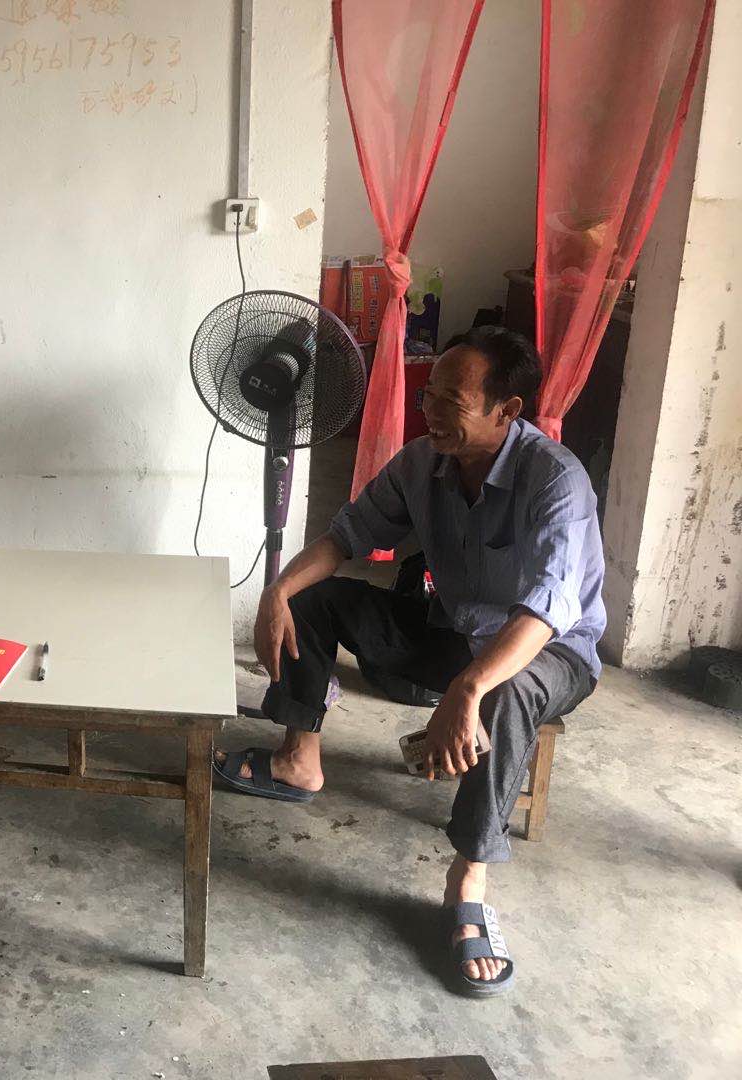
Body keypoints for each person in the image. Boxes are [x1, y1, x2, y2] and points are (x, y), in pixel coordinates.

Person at [213, 325, 603, 997]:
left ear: (507, 410)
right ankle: (298, 760)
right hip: (455, 632)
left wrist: (468, 689)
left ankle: (468, 879)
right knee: (315, 599)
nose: (431, 412)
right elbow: (345, 538)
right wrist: (277, 591)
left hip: (551, 650)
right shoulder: (423, 463)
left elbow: (546, 611)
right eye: (429, 395)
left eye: (452, 400)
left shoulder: (555, 480)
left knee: (506, 692)